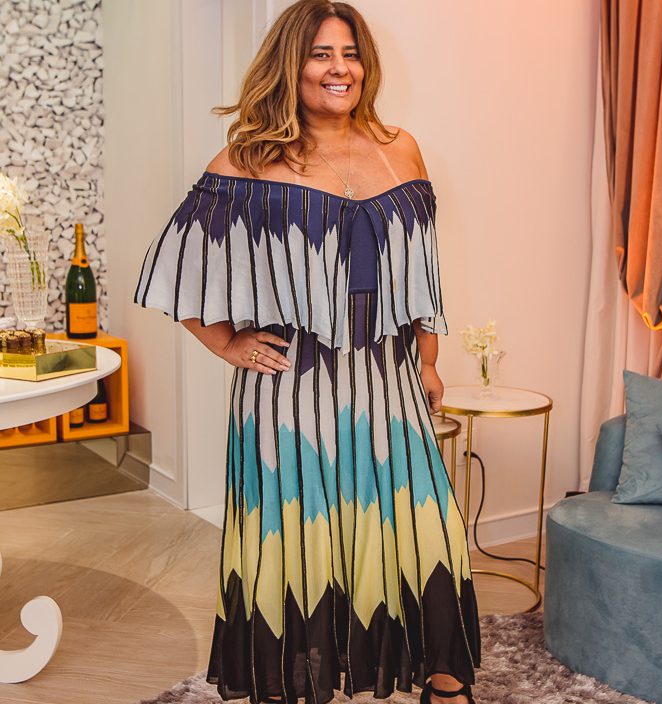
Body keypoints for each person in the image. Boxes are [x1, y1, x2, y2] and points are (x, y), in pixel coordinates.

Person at [134, 1, 482, 703]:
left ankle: (445, 682)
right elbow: (178, 263)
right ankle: (294, 685)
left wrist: (428, 359)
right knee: (299, 542)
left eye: (349, 54)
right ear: (290, 66)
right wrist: (226, 343)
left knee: (424, 529)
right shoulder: (250, 160)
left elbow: (422, 270)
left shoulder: (400, 147)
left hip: (386, 377)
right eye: (321, 54)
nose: (338, 69)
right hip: (291, 389)